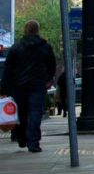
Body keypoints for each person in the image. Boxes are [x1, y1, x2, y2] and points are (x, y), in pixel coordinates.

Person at [0, 21, 56, 152]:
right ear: (37, 30)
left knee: (21, 112)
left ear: (25, 30)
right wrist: (48, 79)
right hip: (37, 84)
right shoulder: (45, 47)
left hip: (19, 85)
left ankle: (21, 138)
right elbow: (52, 65)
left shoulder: (16, 47)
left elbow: (8, 69)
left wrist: (4, 86)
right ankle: (34, 142)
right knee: (35, 112)